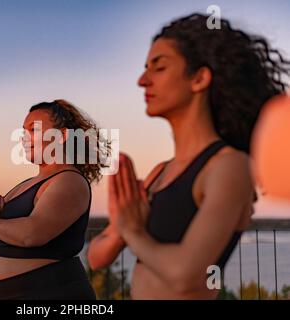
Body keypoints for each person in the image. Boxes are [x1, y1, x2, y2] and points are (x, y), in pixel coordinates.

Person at [88, 13, 290, 299]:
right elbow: (97, 257)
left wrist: (134, 232)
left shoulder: (229, 166)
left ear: (199, 78)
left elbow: (187, 274)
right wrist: (123, 224)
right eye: (145, 68)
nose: (142, 80)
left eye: (159, 68)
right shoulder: (161, 171)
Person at [0, 99, 110, 300]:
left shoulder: (70, 180)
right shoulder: (26, 185)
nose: (24, 138)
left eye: (34, 130)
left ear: (62, 135)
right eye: (23, 132)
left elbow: (32, 234)